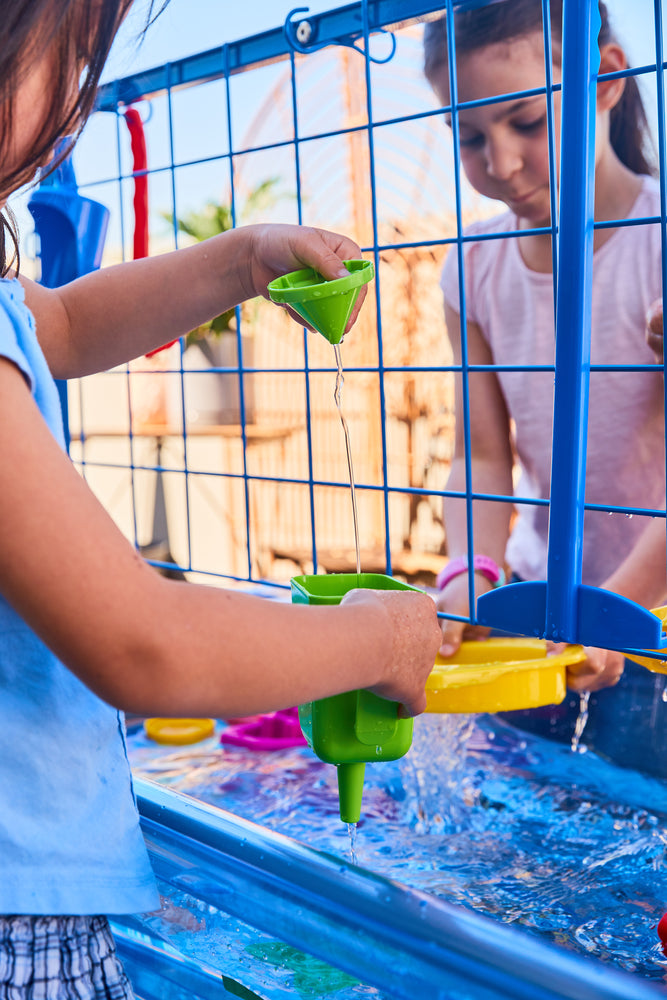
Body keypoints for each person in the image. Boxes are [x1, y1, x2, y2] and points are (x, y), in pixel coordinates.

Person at [0, 2, 443, 996]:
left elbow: (63, 323)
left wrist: (242, 258)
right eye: (66, 61)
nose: (77, 102)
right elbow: (143, 644)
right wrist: (383, 639)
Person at [423, 2, 667, 742]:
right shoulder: (470, 268)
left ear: (604, 81)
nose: (498, 163)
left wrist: (614, 613)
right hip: (540, 610)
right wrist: (471, 572)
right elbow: (480, 452)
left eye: (526, 121)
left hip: (651, 620)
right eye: (468, 136)